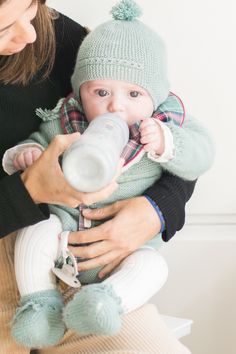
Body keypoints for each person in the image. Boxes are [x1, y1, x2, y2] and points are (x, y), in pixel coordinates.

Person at [3, 0, 214, 349]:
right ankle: (39, 308)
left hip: (96, 279)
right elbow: (35, 144)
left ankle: (102, 305)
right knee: (36, 237)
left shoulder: (59, 38)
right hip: (39, 249)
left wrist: (157, 206)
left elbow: (195, 153)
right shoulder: (65, 121)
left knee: (150, 274)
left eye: (31, 8)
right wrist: (27, 184)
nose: (30, 34)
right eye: (5, 27)